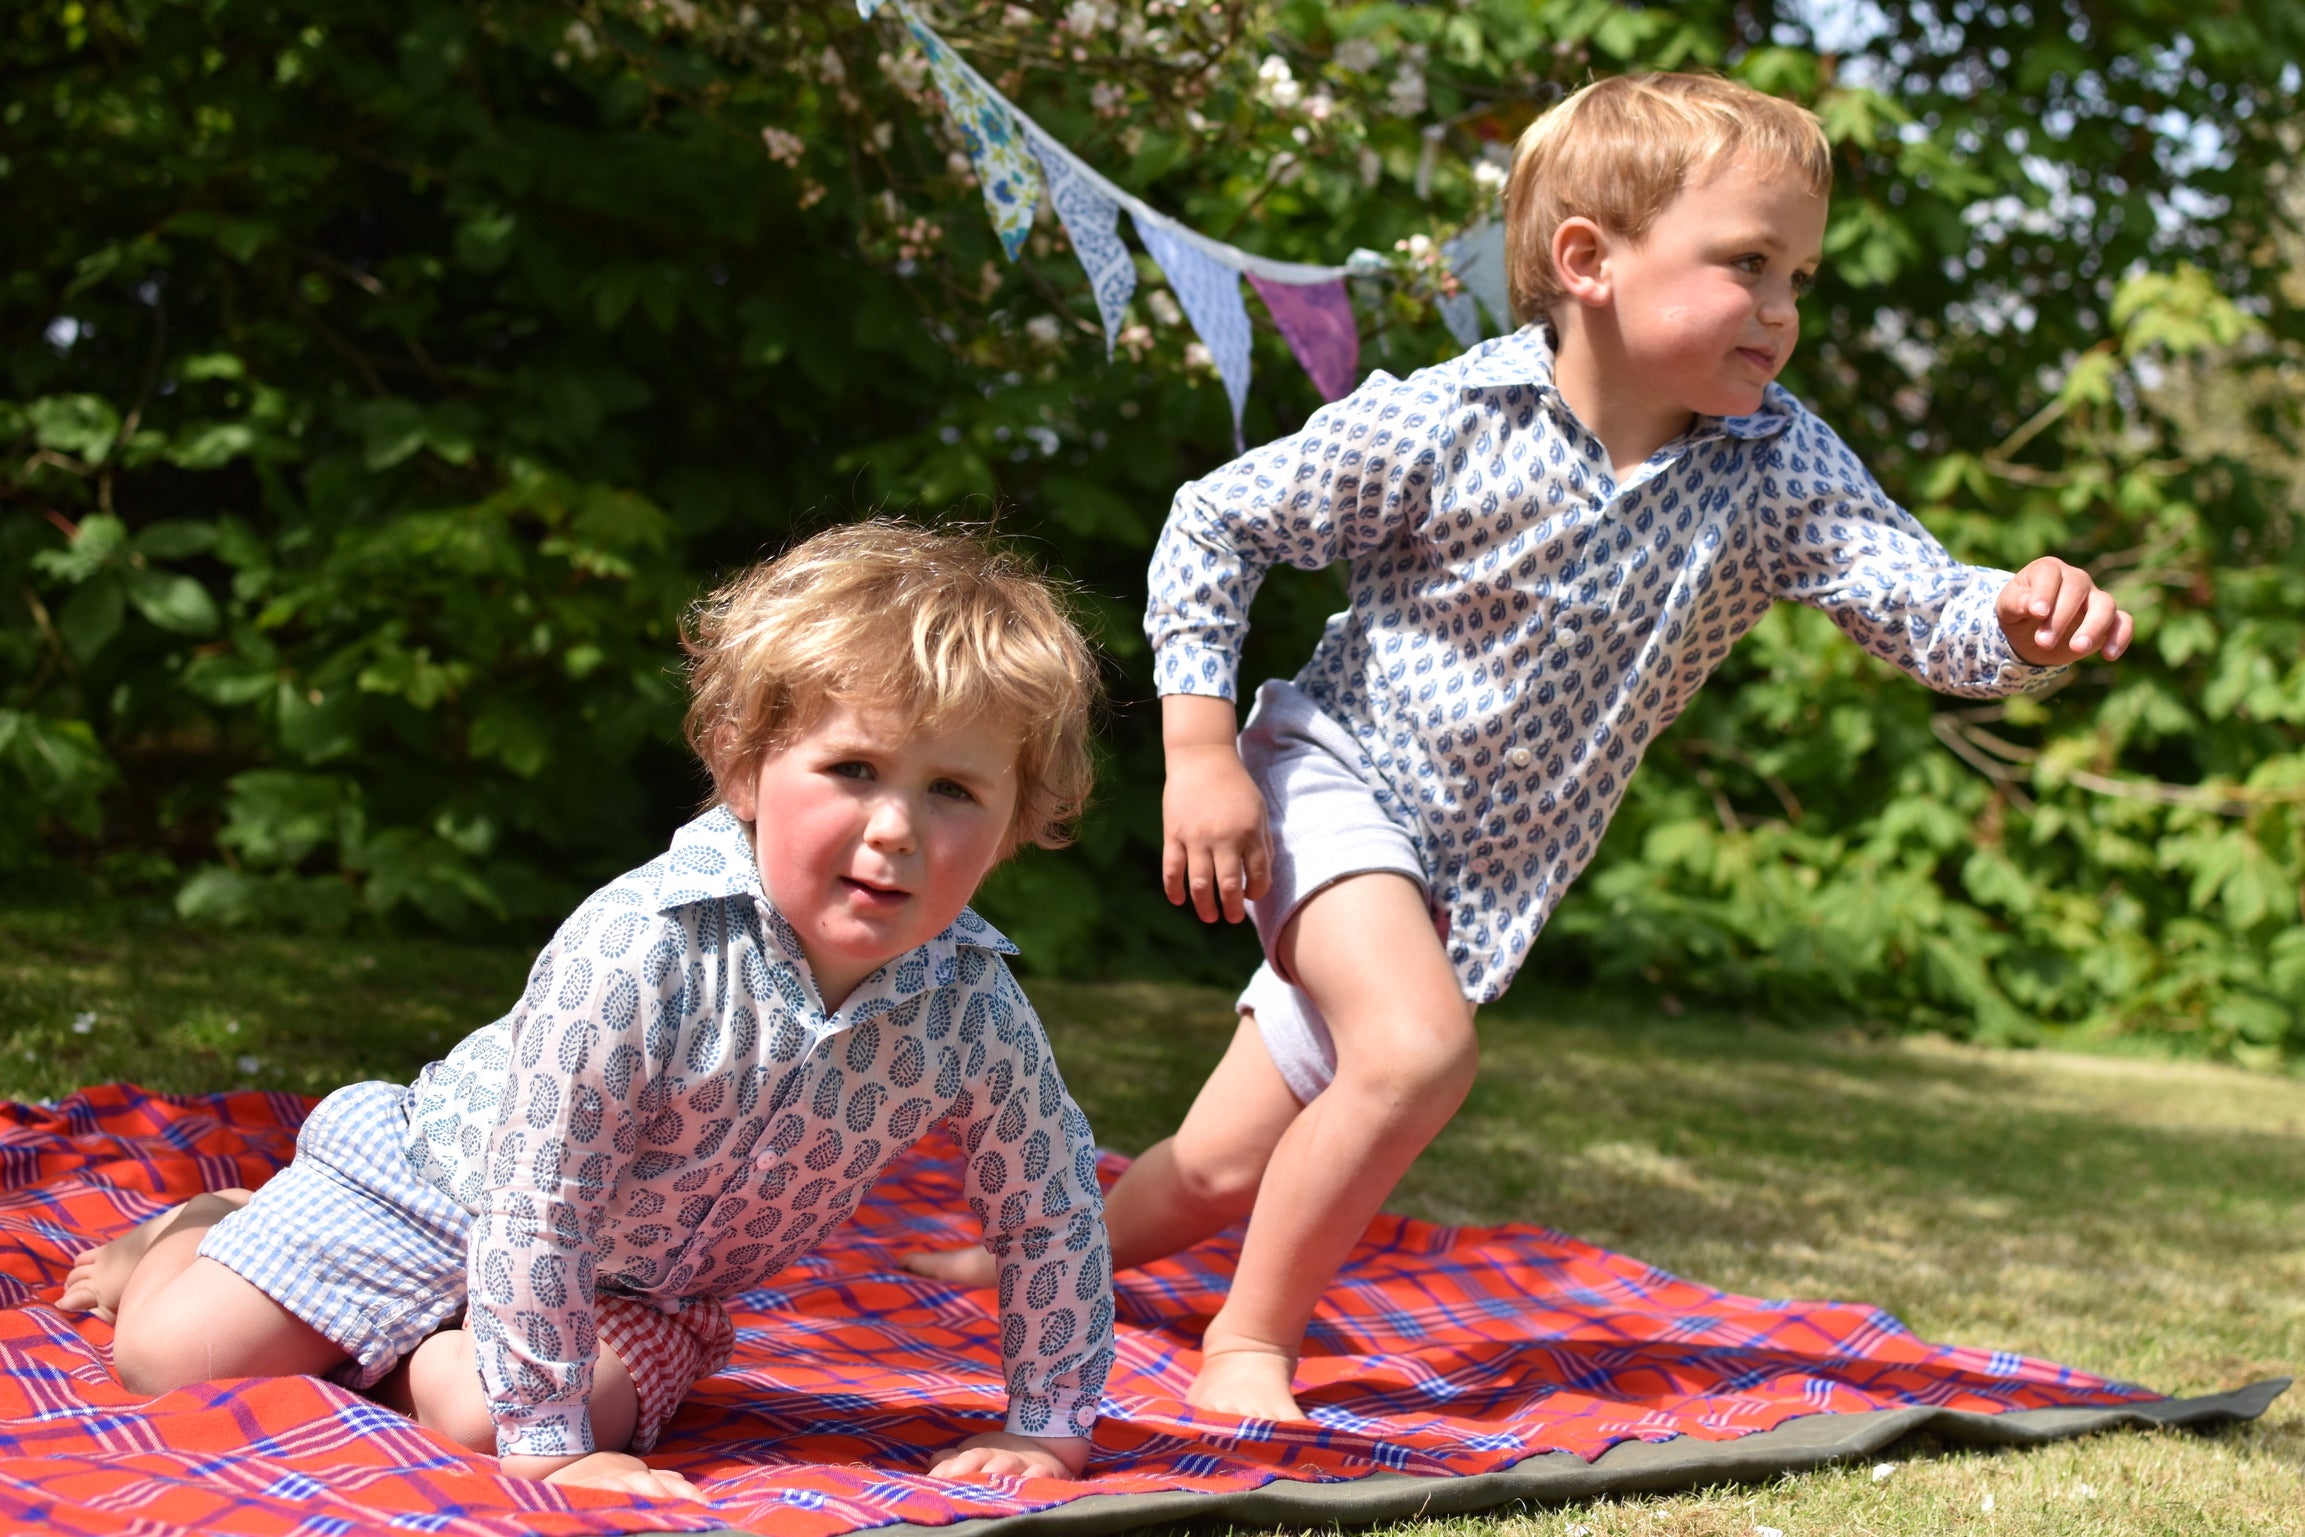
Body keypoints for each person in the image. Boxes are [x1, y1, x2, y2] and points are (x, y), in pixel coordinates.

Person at [907, 72, 2135, 1422]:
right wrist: (1199, 752)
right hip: (1335, 778)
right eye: (1747, 264)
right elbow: (1217, 520)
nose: (1783, 310)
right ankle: (1249, 1343)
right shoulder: (1452, 419)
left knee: (1214, 1163)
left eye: (1798, 274)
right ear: (1588, 261)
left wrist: (2014, 619)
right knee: (1417, 1054)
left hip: (1479, 874)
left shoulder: (1775, 465)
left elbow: (1915, 601)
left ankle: (1020, 1253)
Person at [60, 522, 1115, 1498]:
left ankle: (433, 1348)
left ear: (1018, 819)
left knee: (487, 1419)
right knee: (170, 1360)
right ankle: (209, 1227)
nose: (894, 828)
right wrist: (555, 1445)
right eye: (853, 768)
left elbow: (1049, 1207)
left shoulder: (973, 1010)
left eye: (953, 791)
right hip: (436, 1192)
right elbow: (541, 1186)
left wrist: (1048, 1422)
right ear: (743, 766)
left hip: (644, 1290)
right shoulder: (643, 944)